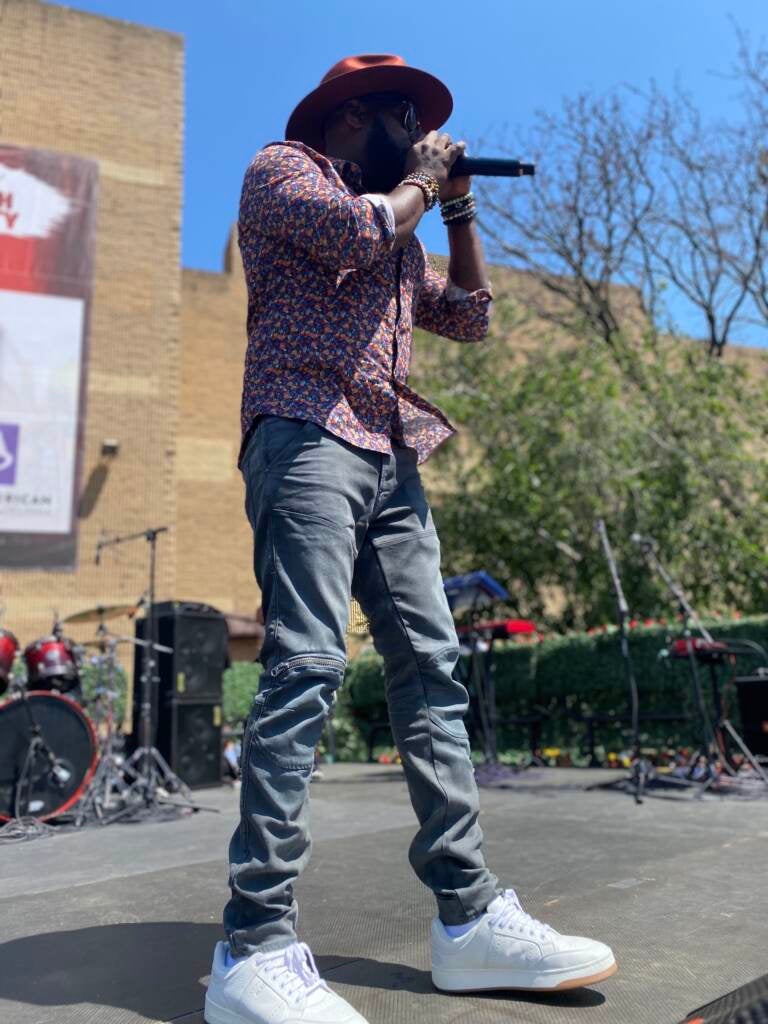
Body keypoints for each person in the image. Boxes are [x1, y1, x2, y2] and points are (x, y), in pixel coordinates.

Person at [204, 54, 617, 1024]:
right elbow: (354, 230)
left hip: (391, 453)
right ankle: (252, 940)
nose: (424, 129)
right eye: (405, 114)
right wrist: (426, 183)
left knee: (432, 669)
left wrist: (460, 208)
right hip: (303, 432)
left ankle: (468, 921)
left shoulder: (407, 224)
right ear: (354, 117)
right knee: (306, 663)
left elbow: (468, 319)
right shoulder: (283, 172)